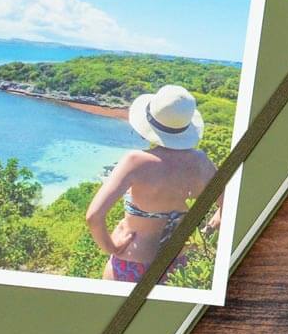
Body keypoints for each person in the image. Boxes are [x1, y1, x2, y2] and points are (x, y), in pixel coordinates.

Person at [86, 85, 223, 284]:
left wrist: (111, 247)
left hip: (131, 262)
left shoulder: (135, 161)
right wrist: (203, 235)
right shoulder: (201, 161)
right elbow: (230, 207)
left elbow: (93, 216)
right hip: (176, 267)